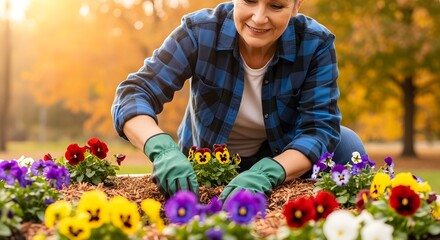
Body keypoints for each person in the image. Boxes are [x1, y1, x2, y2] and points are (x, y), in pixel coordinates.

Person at [111, 0, 366, 202]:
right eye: (249, 1)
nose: (258, 17)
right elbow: (134, 94)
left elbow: (319, 129)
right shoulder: (199, 32)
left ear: (297, 5)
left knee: (347, 143)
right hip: (209, 161)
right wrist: (162, 148)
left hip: (280, 156)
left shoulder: (314, 44)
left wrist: (270, 172)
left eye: (276, 6)